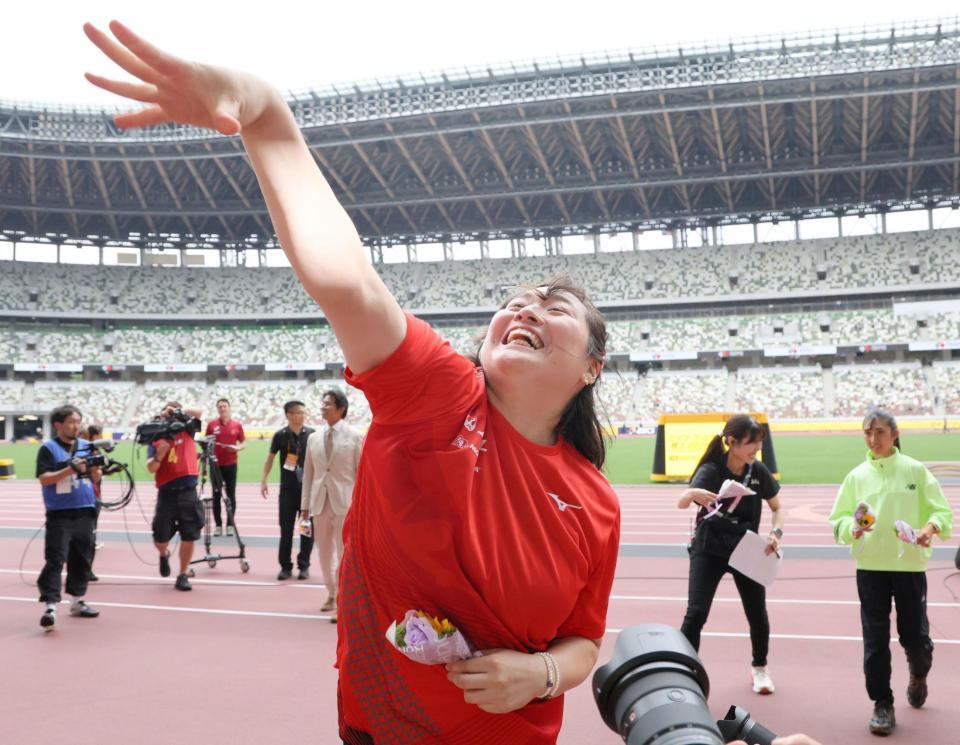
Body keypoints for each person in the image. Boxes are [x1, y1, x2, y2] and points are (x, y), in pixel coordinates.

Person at [84, 24, 620, 744]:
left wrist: (542, 674)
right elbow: (347, 279)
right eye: (515, 300)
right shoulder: (441, 392)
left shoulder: (596, 501)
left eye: (554, 307)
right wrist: (266, 115)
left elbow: (584, 641)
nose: (525, 308)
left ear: (592, 366)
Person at [829, 408, 953, 736]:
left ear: (895, 434)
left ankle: (919, 669)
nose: (873, 439)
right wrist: (850, 529)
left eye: (880, 432)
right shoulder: (856, 476)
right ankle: (882, 703)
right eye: (868, 433)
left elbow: (941, 511)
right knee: (875, 639)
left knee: (914, 635)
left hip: (909, 566)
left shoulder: (915, 471)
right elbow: (838, 519)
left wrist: (929, 528)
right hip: (870, 567)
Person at [677, 415, 784, 695]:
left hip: (745, 547)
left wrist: (776, 533)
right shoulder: (711, 470)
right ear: (732, 442)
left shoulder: (757, 470)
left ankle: (760, 668)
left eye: (759, 444)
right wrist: (694, 494)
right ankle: (685, 671)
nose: (756, 450)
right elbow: (682, 501)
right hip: (709, 548)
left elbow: (777, 508)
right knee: (696, 613)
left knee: (757, 613)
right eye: (752, 444)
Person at [300, 389, 363, 620]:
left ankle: (342, 600)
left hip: (345, 504)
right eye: (322, 403)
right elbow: (309, 474)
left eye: (328, 404)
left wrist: (360, 505)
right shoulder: (313, 438)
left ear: (341, 408)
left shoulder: (355, 437)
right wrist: (304, 505)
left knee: (344, 554)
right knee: (324, 553)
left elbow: (362, 475)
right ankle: (330, 591)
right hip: (319, 503)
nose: (323, 407)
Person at [36, 405, 100, 631]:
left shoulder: (87, 446)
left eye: (78, 421)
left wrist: (97, 469)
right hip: (60, 513)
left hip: (85, 509)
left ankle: (77, 600)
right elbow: (44, 478)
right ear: (58, 425)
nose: (76, 426)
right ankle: (50, 606)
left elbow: (96, 476)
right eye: (71, 421)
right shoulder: (48, 449)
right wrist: (69, 470)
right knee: (56, 558)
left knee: (82, 557)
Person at [146, 402, 204, 591]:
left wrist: (180, 411)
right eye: (167, 413)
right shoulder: (156, 436)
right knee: (159, 538)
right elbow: (151, 468)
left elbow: (199, 411)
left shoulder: (188, 429)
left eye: (173, 413)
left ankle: (182, 573)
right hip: (167, 493)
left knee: (189, 535)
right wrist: (159, 455)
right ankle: (164, 554)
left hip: (188, 490)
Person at [261, 400, 314, 580]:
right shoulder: (280, 436)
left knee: (306, 529)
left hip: (307, 492)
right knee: (286, 530)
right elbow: (269, 459)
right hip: (287, 491)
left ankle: (304, 565)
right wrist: (264, 480)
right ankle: (285, 566)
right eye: (299, 412)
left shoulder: (312, 434)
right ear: (289, 415)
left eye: (303, 412)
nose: (303, 415)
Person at [205, 398, 246, 536]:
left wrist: (237, 448)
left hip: (231, 464)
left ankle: (230, 524)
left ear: (229, 408)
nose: (223, 409)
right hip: (215, 465)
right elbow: (206, 443)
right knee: (216, 495)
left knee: (231, 495)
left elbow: (243, 442)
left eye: (225, 406)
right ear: (217, 409)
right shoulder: (211, 425)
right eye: (220, 406)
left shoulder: (237, 425)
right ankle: (218, 525)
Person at [80, 423, 104, 581]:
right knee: (80, 537)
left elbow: (97, 475)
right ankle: (81, 569)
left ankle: (87, 569)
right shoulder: (74, 452)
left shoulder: (93, 451)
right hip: (79, 499)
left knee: (90, 536)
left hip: (93, 496)